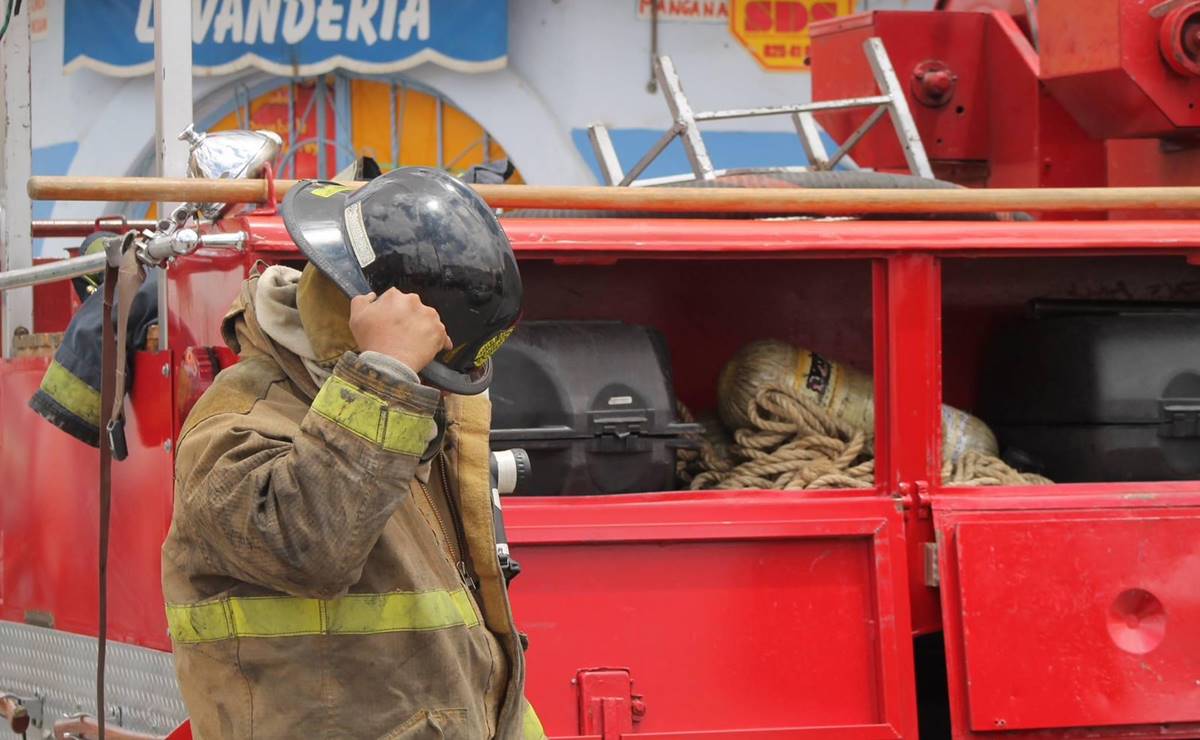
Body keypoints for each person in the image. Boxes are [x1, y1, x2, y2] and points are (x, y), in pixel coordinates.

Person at [160, 167, 542, 739]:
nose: (436, 389)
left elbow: (472, 661)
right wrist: (386, 372)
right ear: (367, 322)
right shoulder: (240, 422)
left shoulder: (387, 415)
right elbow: (308, 548)